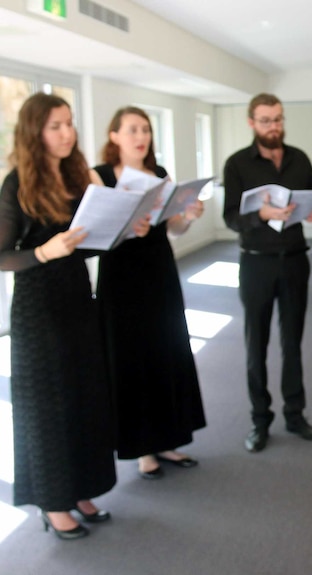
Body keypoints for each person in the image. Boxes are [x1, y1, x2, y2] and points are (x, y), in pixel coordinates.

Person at [0, 93, 117, 539]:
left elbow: (84, 243)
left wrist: (119, 226)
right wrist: (44, 251)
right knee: (48, 408)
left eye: (69, 123)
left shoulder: (74, 176)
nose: (67, 133)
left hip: (76, 301)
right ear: (35, 132)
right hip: (37, 309)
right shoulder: (16, 184)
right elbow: (2, 256)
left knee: (84, 400)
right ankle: (53, 502)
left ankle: (81, 488)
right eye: (56, 126)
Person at [93, 106, 206, 480]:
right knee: (132, 357)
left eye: (145, 129)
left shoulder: (159, 175)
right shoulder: (101, 176)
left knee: (166, 350)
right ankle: (142, 449)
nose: (140, 136)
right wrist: (128, 228)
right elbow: (93, 231)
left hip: (159, 271)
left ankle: (167, 439)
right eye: (132, 130)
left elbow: (174, 229)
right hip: (122, 277)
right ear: (115, 136)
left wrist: (188, 214)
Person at [223, 93, 312, 453]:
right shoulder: (237, 164)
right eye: (266, 120)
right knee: (256, 345)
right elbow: (231, 218)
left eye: (279, 119)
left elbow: (310, 202)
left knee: (293, 343)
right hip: (256, 262)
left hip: (296, 259)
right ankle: (259, 421)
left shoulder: (300, 159)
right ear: (251, 123)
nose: (274, 127)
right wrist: (261, 216)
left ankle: (295, 416)